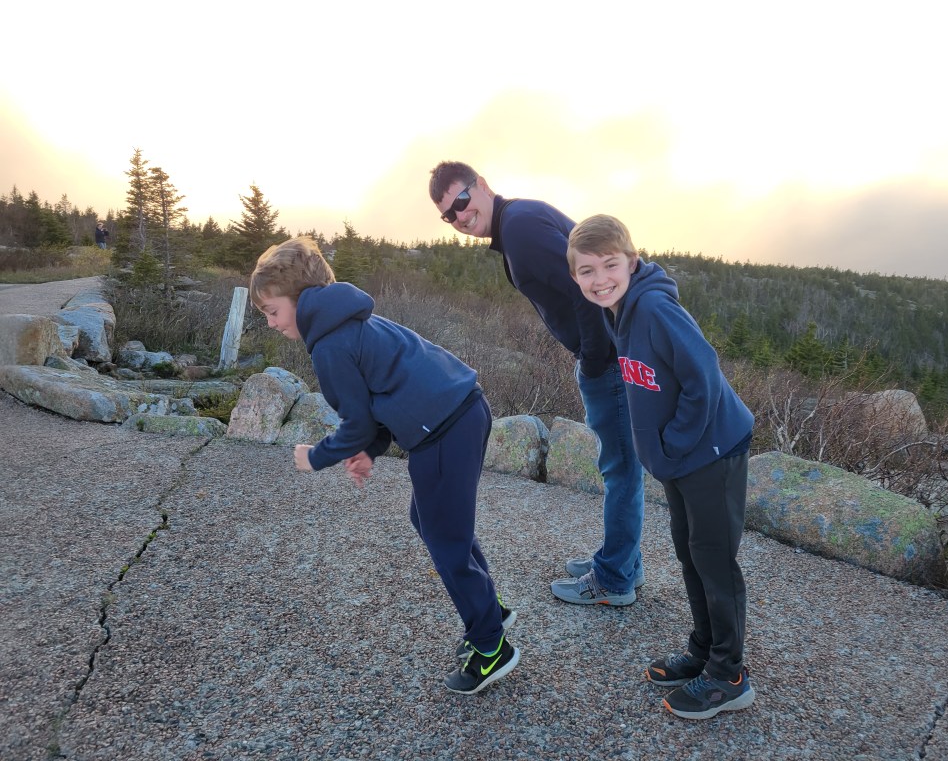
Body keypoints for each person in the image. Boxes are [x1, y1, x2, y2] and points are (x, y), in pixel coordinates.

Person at [249, 236, 518, 695]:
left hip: (444, 430)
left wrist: (316, 456)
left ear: (301, 299)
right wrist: (370, 451)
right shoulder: (352, 322)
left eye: (272, 311)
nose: (271, 323)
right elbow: (383, 401)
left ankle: (492, 645)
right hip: (463, 412)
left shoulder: (330, 345)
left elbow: (355, 423)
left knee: (445, 540)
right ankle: (488, 610)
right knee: (434, 523)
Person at [429, 162, 645, 607]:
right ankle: (624, 562)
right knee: (620, 465)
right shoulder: (518, 221)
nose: (460, 217)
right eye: (449, 215)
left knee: (620, 468)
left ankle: (614, 580)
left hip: (610, 359)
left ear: (482, 186)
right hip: (612, 352)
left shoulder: (521, 230)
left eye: (462, 202)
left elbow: (585, 289)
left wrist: (593, 359)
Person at [566, 214, 756, 720]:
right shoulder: (620, 311)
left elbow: (704, 375)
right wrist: (664, 452)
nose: (600, 279)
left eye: (610, 265)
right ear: (575, 276)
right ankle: (703, 650)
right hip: (681, 459)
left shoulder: (651, 307)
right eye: (587, 270)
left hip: (713, 451)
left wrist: (673, 443)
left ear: (632, 262)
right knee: (690, 554)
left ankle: (729, 675)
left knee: (714, 561)